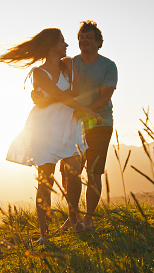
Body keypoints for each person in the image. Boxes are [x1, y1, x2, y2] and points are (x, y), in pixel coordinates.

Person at [0, 28, 102, 244]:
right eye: (62, 41)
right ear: (51, 46)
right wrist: (88, 112)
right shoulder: (38, 73)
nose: (67, 45)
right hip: (45, 128)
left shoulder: (69, 64)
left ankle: (74, 219)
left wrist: (47, 99)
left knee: (74, 174)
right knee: (46, 180)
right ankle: (44, 234)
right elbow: (62, 95)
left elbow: (75, 91)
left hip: (69, 124)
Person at [33, 21, 118, 231]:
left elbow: (105, 96)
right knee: (70, 173)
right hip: (72, 125)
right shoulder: (69, 63)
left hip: (99, 123)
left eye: (89, 37)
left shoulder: (108, 66)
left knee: (93, 173)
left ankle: (88, 220)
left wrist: (83, 110)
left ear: (99, 43)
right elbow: (52, 85)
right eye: (81, 37)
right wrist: (37, 94)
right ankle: (73, 218)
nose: (83, 41)